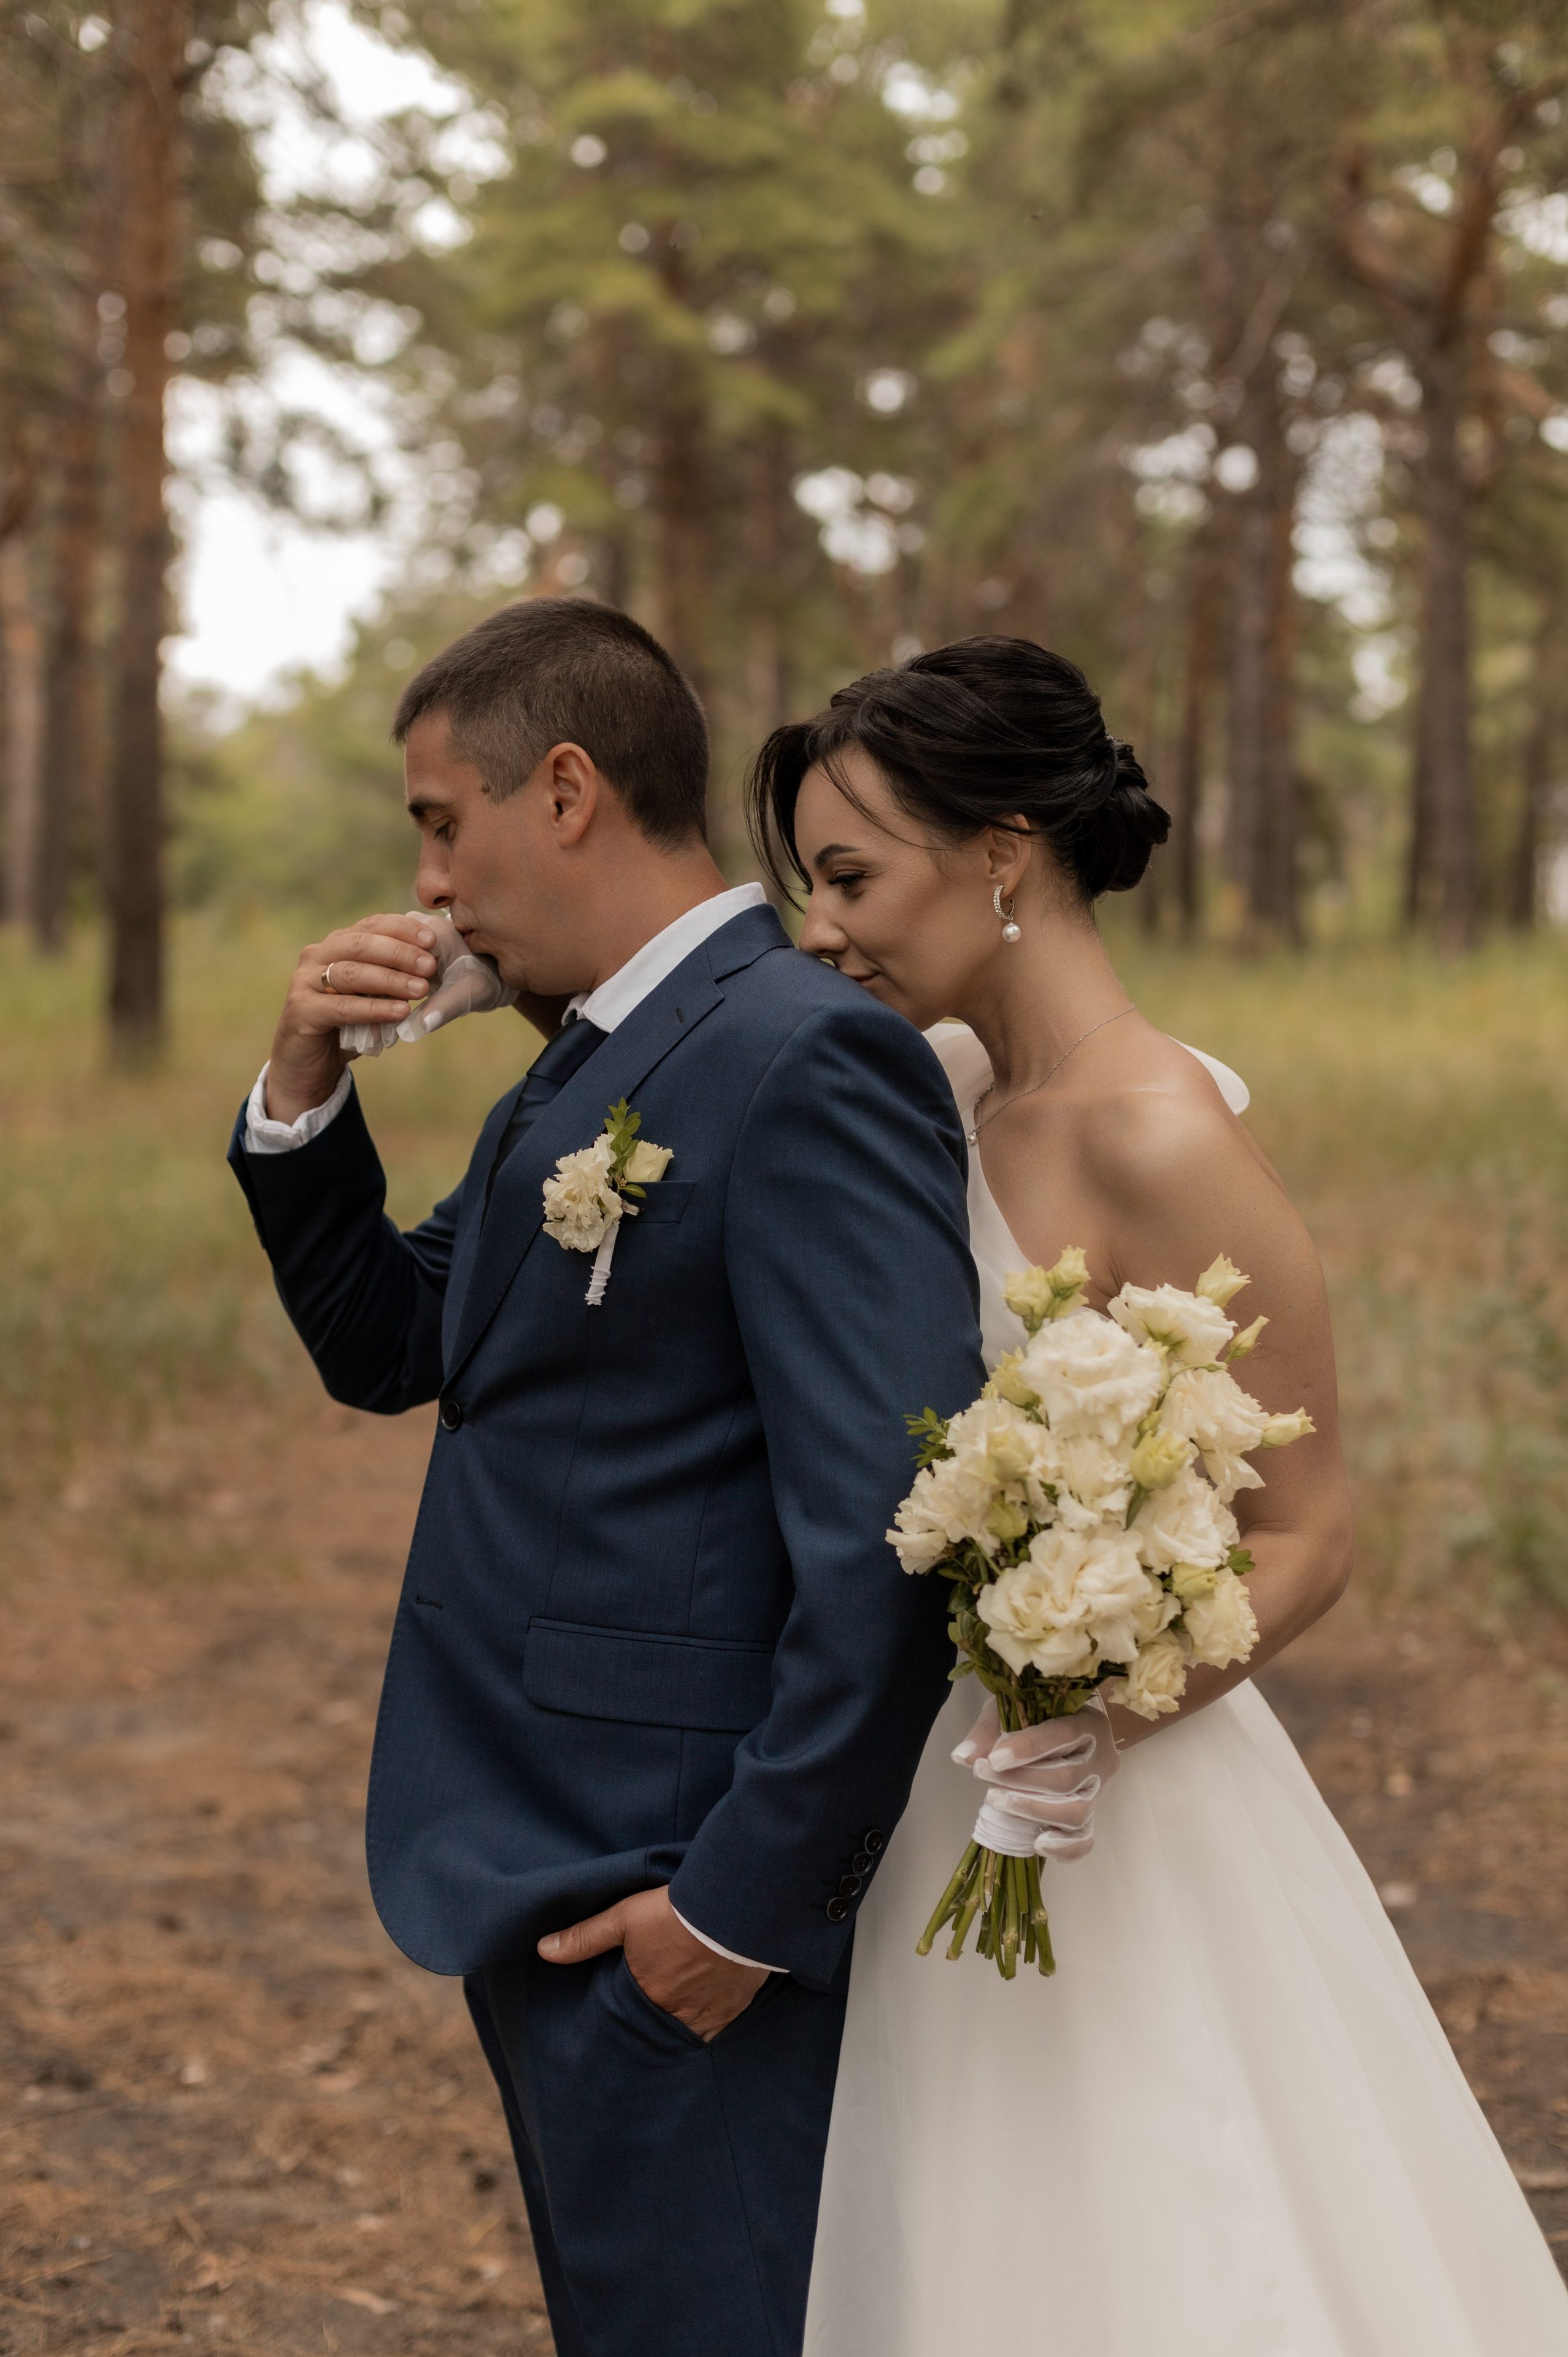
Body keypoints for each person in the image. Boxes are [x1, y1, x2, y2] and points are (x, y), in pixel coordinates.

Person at [747, 635, 1568, 2357]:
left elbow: (1310, 1527)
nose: (820, 926)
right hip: (916, 1777)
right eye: (809, 883)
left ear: (1003, 849)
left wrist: (1091, 1719)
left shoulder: (1161, 1130)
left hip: (1100, 1793)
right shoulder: (943, 1090)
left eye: (850, 876)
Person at [225, 597, 985, 2357]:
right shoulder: (590, 1062)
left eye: (442, 824)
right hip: (541, 1854)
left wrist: (737, 1910)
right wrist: (302, 1085)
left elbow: (896, 1533)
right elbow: (392, 1343)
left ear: (566, 789)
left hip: (679, 1877)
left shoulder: (798, 1052)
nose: (428, 887)